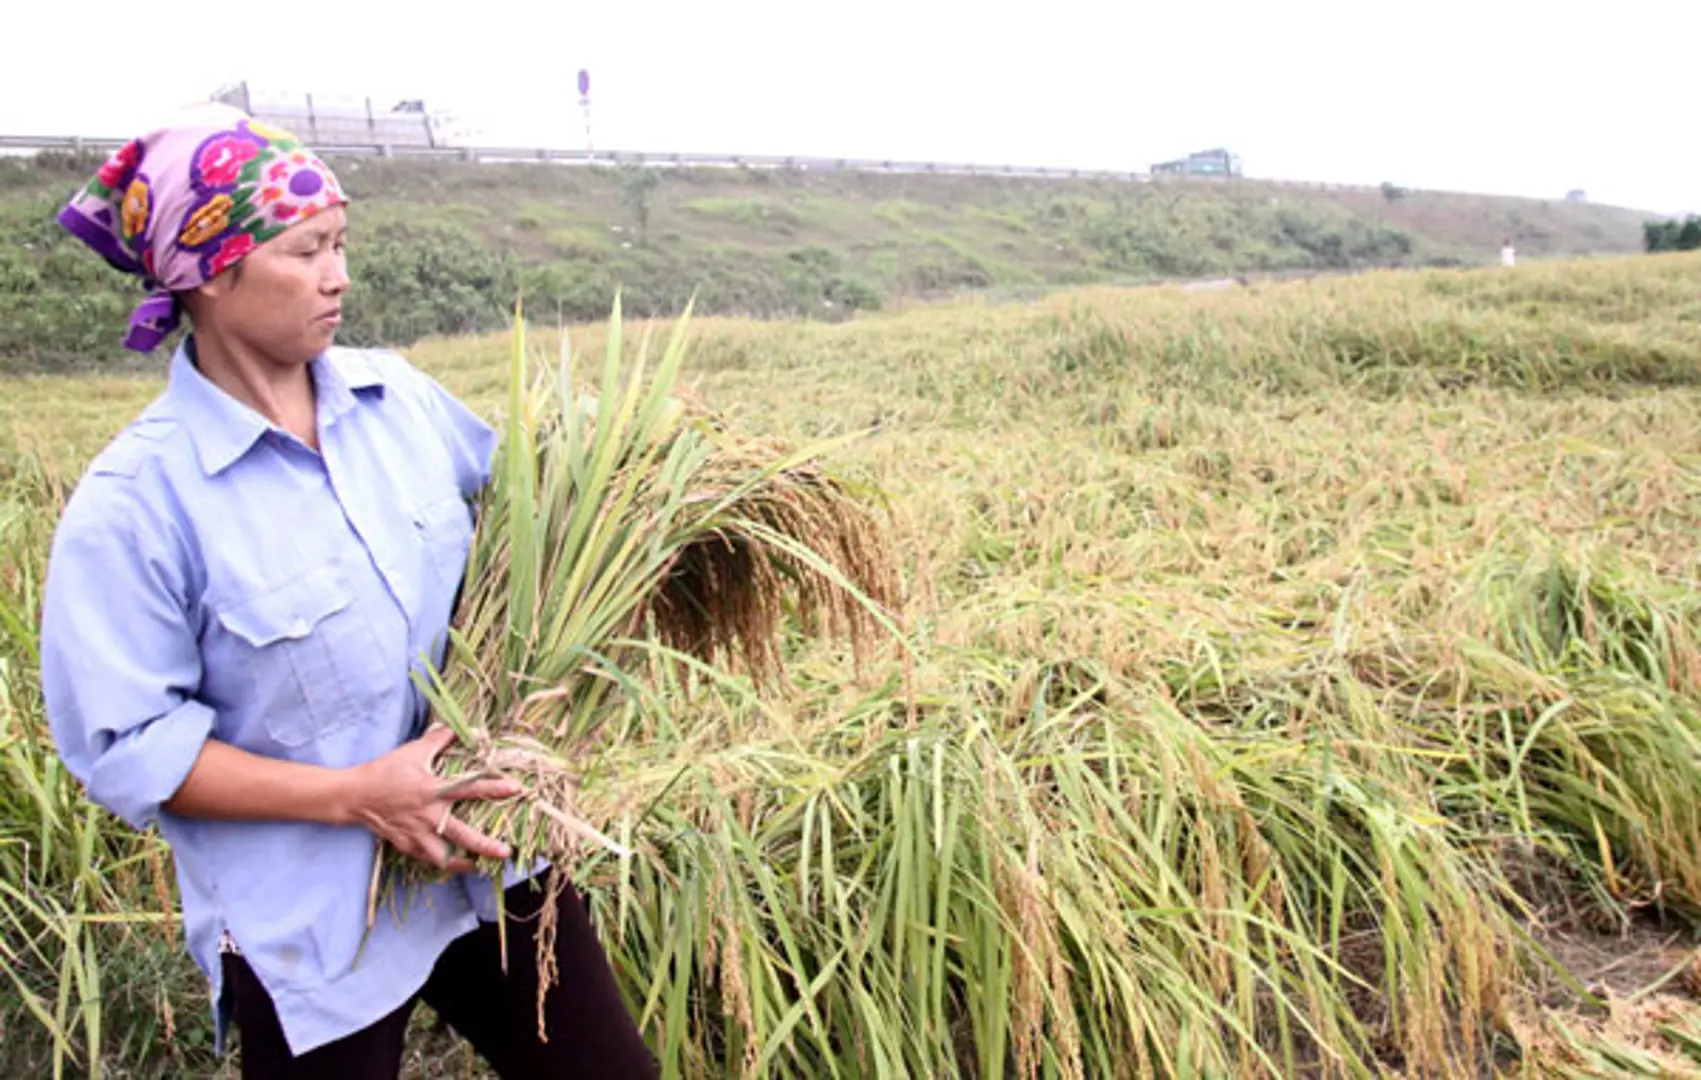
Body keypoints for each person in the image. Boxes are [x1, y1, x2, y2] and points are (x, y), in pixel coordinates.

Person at [39, 105, 659, 1079]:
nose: (340, 276)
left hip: (489, 849)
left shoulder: (400, 401)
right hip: (306, 915)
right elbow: (129, 749)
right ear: (209, 272)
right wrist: (354, 797)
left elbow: (525, 530)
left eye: (341, 244)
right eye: (305, 250)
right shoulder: (137, 507)